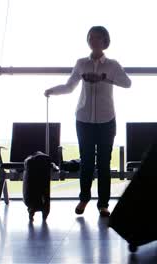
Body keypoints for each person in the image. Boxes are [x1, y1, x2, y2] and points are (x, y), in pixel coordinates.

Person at [44, 26, 131, 217]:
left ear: (105, 41)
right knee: (87, 162)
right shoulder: (81, 63)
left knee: (104, 163)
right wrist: (52, 90)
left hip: (107, 119)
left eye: (97, 37)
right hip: (83, 118)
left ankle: (103, 204)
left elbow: (127, 83)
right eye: (91, 37)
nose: (93, 40)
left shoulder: (113, 65)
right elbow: (69, 87)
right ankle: (84, 199)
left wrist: (104, 78)